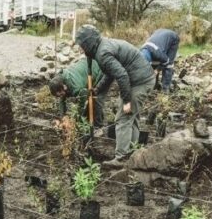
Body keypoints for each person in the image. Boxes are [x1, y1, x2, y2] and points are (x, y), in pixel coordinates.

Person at [75, 24, 156, 163]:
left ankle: (120, 158)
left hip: (139, 82)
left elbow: (122, 75)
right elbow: (110, 73)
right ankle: (132, 153)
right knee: (131, 117)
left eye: (81, 45)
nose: (80, 49)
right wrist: (97, 89)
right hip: (142, 78)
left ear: (88, 43)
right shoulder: (102, 46)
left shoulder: (102, 53)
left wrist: (126, 101)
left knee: (123, 118)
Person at [48, 57, 105, 126]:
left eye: (60, 94)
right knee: (88, 103)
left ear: (64, 87)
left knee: (95, 98)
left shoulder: (75, 87)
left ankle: (98, 126)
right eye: (58, 95)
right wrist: (63, 116)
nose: (60, 96)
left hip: (99, 69)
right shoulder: (59, 82)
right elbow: (62, 100)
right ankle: (87, 123)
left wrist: (77, 119)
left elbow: (82, 103)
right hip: (85, 69)